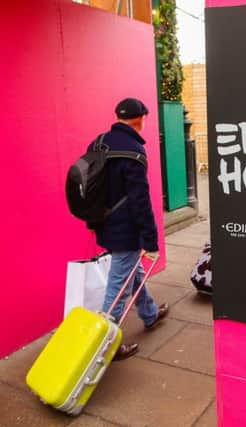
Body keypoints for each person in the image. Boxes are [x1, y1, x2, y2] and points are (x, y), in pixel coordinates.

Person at [92, 97, 169, 360]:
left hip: (103, 223)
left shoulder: (99, 142)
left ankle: (149, 314)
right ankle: (106, 344)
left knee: (131, 271)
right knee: (118, 288)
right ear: (140, 119)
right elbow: (140, 201)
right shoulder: (134, 151)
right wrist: (151, 240)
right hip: (125, 230)